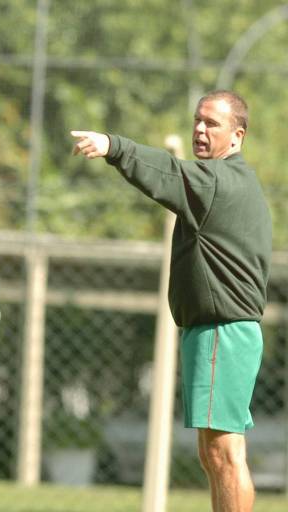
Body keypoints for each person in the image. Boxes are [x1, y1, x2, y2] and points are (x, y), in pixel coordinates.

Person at [71, 90, 270, 512]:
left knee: (224, 455)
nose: (200, 129)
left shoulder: (217, 180)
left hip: (222, 333)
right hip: (219, 333)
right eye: (197, 120)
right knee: (217, 454)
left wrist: (113, 146)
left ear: (237, 136)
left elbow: (166, 172)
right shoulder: (230, 179)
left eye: (212, 123)